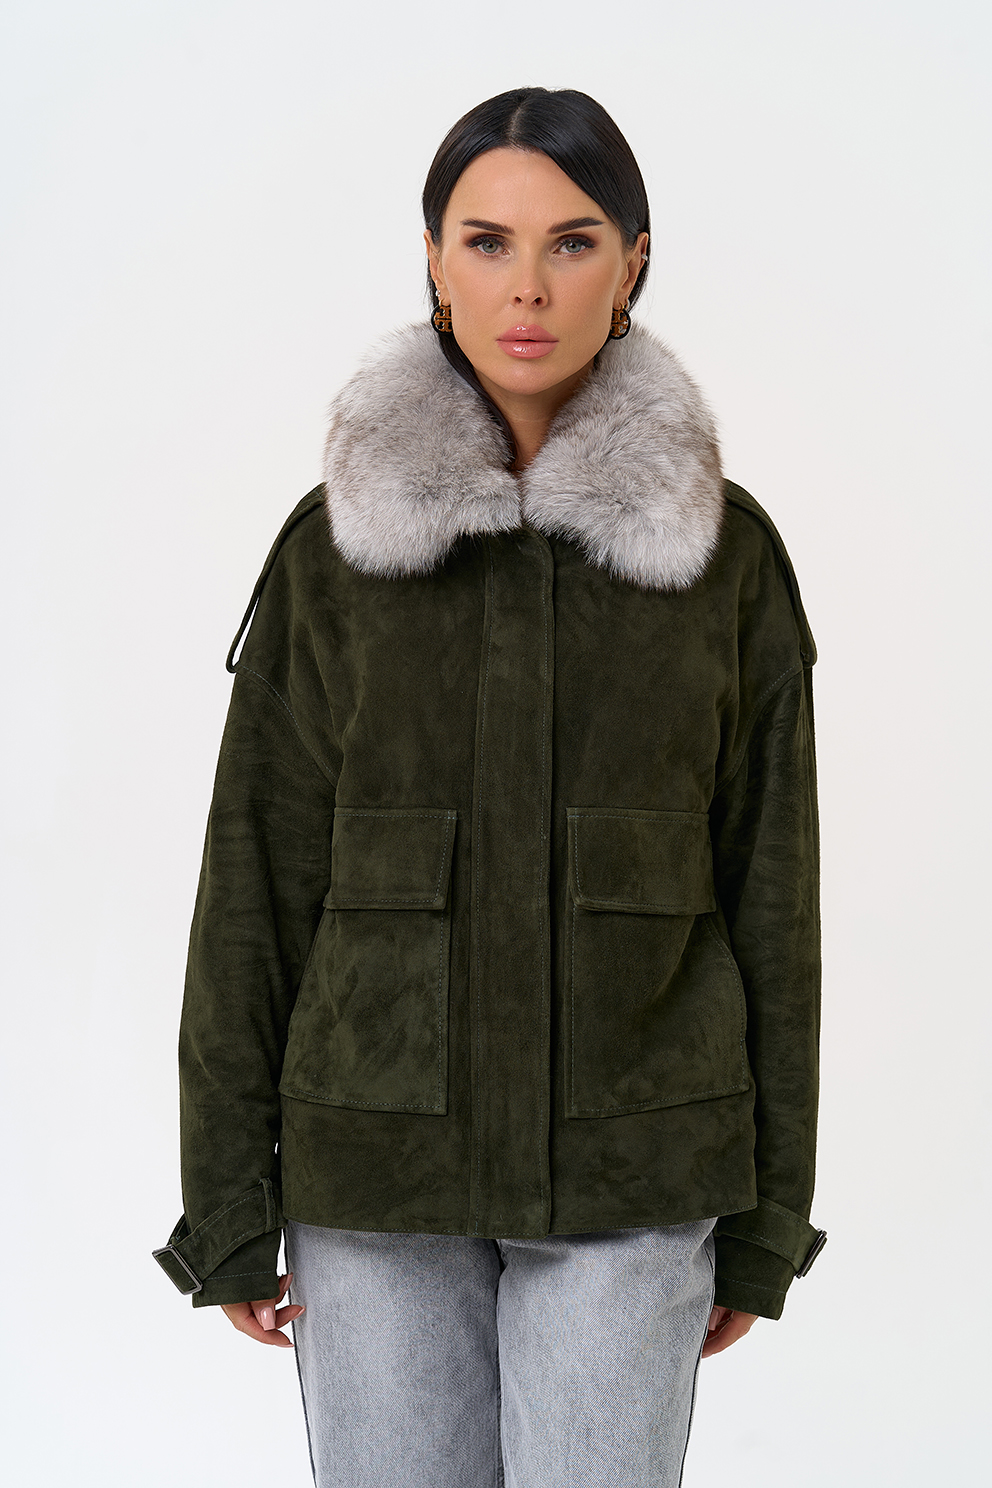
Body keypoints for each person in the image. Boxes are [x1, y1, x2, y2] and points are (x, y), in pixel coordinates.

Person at [154, 86, 826, 1487]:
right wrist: (226, 1199)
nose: (528, 287)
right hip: (374, 1179)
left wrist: (767, 1220)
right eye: (487, 241)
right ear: (433, 259)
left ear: (633, 261)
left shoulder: (728, 559)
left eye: (573, 242)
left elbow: (775, 897)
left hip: (640, 1178)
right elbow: (253, 881)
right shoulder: (332, 555)